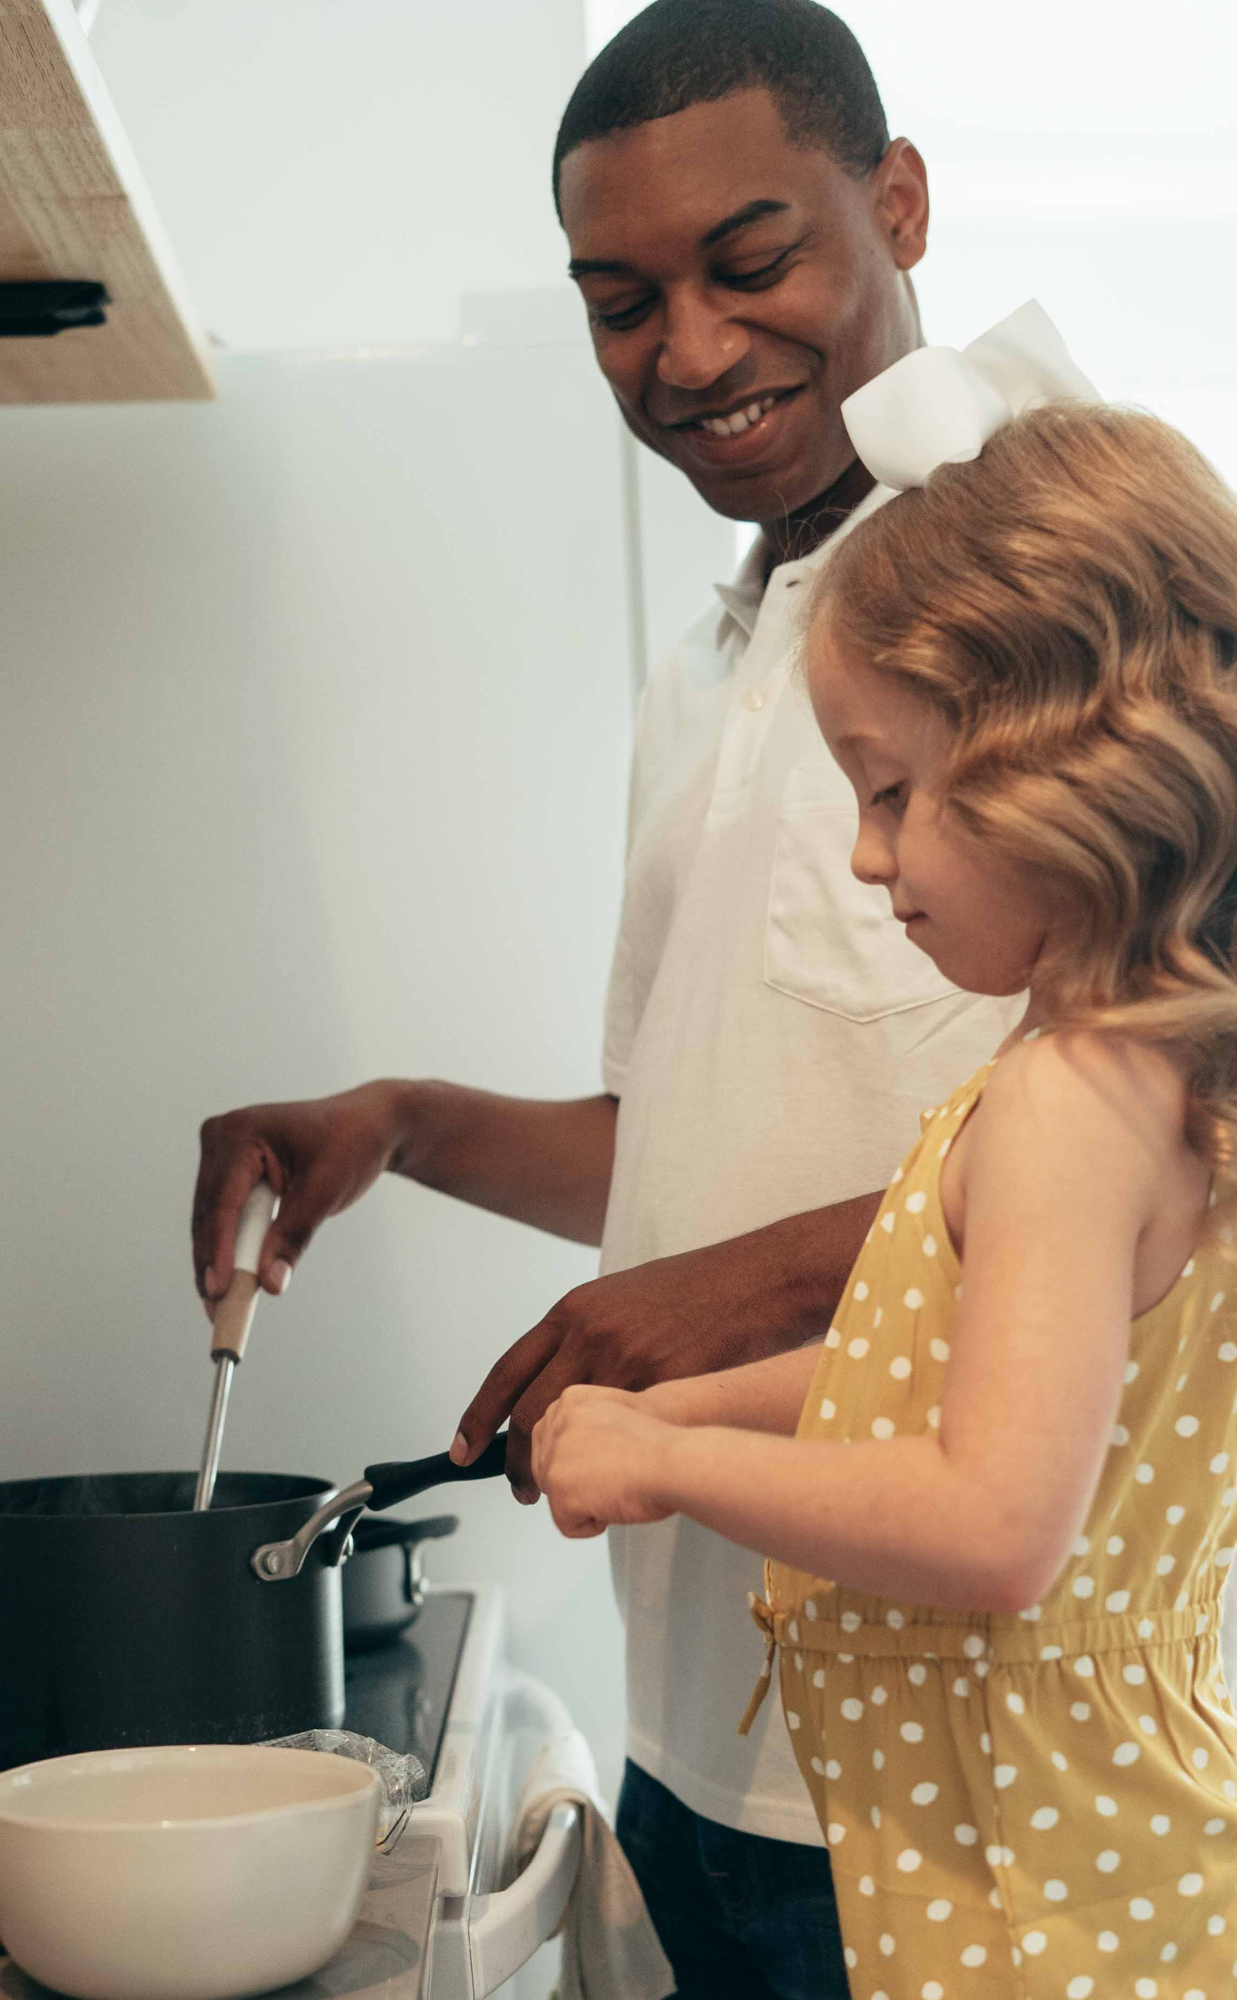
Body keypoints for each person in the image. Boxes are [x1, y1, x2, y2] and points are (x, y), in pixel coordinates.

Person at [190, 4, 1091, 1991]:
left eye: (747, 262)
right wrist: (405, 1120)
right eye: (616, 301)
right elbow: (674, 1157)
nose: (684, 351)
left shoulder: (1067, 557)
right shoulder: (731, 634)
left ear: (897, 200)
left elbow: (1189, 1128)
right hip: (707, 1714)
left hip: (963, 1753)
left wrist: (727, 1297)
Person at [531, 390, 1237, 1996]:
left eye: (890, 790)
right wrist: (697, 1408)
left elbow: (992, 1528)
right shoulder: (1141, 1069)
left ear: (1065, 761)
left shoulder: (1068, 1100)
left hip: (1031, 1885)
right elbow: (912, 1376)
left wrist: (665, 1464)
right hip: (1072, 1849)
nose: (865, 858)